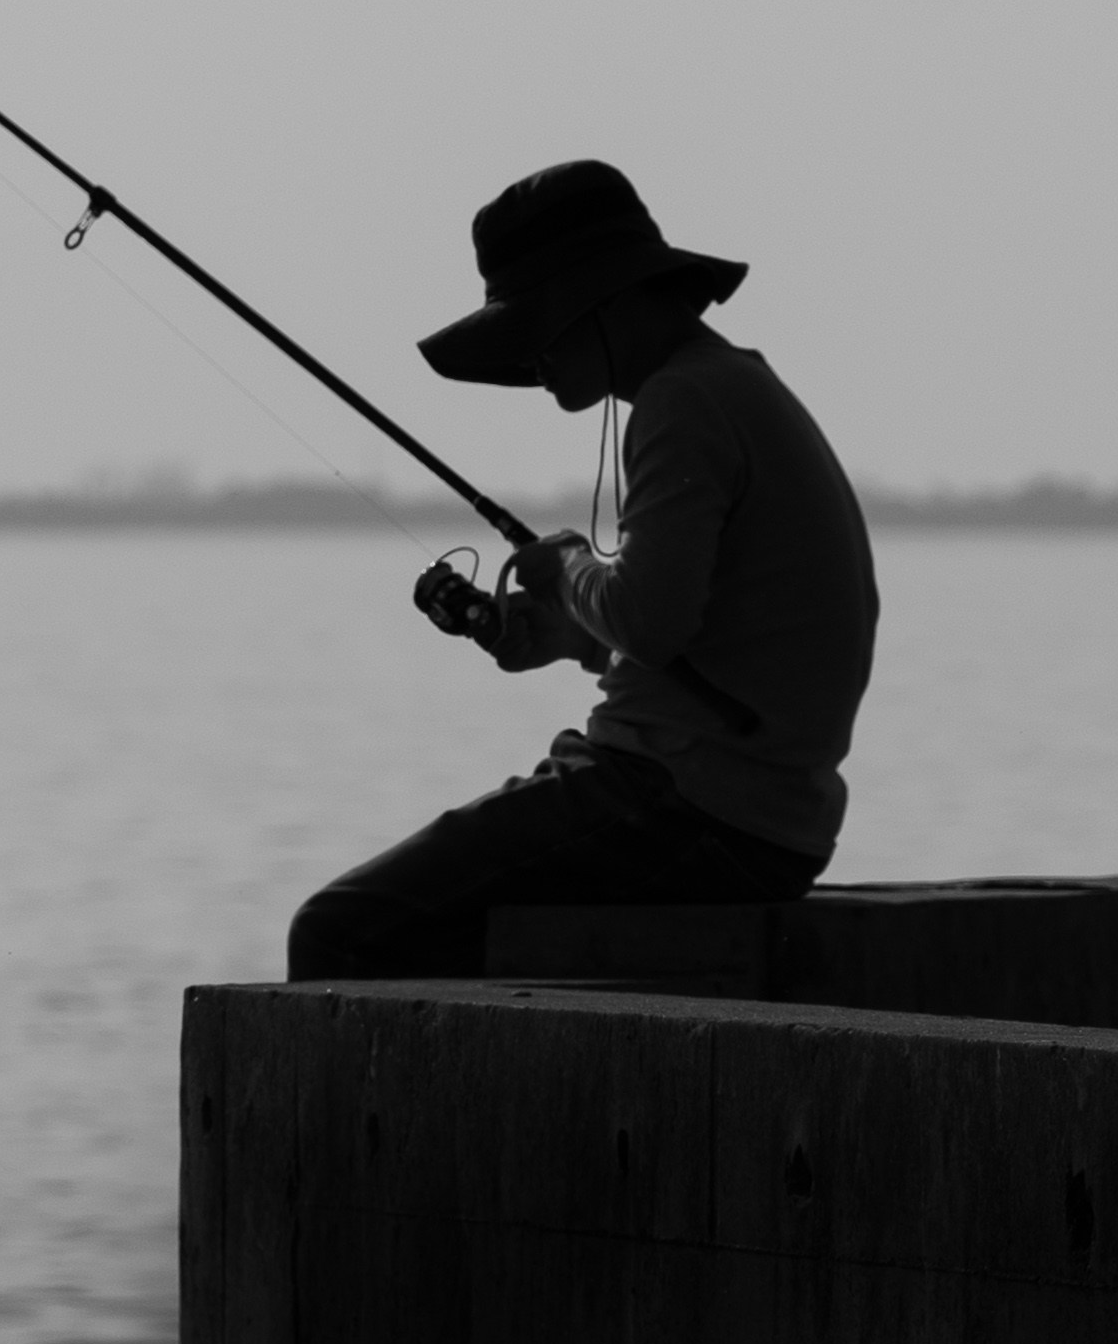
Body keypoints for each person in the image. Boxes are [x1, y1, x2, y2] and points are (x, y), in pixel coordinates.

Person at [281, 159, 880, 980]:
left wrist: (566, 563)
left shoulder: (683, 400)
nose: (531, 361)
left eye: (534, 327)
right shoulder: (730, 386)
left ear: (597, 299)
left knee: (336, 931)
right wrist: (571, 639)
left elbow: (649, 621)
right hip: (762, 821)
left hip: (687, 806)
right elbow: (711, 638)